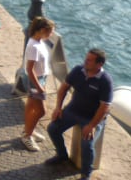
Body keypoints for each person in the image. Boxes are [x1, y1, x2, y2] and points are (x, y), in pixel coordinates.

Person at [44, 48, 112, 177]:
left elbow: (104, 108)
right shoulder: (77, 71)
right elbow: (63, 88)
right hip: (72, 111)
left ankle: (86, 174)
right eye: (86, 58)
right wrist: (58, 107)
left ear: (99, 64)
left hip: (92, 118)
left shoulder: (105, 81)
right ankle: (62, 155)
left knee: (87, 145)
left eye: (90, 60)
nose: (85, 62)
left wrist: (92, 125)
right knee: (53, 128)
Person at [21, 16, 56, 151]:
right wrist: (39, 86)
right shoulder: (33, 46)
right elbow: (30, 69)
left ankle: (28, 130)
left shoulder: (39, 41)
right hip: (36, 81)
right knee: (42, 111)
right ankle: (27, 136)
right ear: (42, 30)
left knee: (31, 106)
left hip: (41, 78)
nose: (51, 34)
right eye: (50, 32)